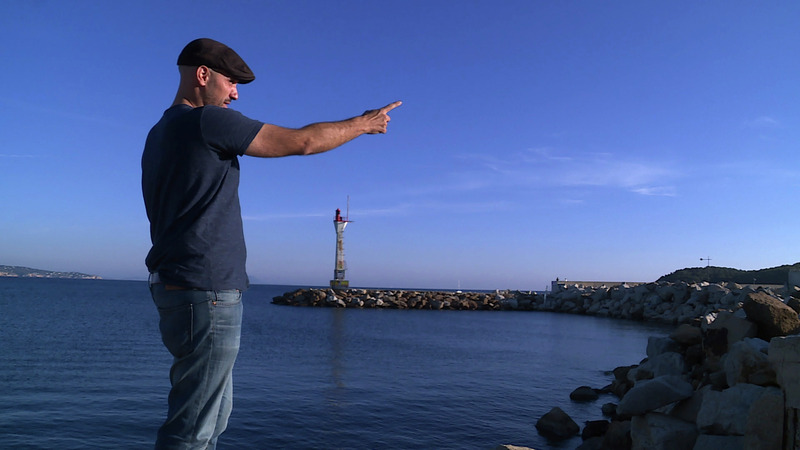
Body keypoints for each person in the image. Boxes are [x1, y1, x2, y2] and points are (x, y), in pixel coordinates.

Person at [141, 37, 400, 449]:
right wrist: (363, 124)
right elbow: (302, 141)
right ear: (203, 75)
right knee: (193, 428)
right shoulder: (206, 121)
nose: (235, 93)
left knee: (211, 414)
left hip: (178, 286)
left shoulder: (159, 133)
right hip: (206, 288)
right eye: (231, 82)